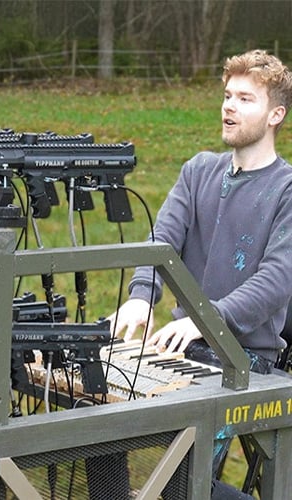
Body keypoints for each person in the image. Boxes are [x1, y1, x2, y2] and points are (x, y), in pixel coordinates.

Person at [109, 49, 292, 499]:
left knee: (178, 486)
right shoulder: (198, 170)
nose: (229, 106)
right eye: (227, 96)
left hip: (244, 359)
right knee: (96, 423)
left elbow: (275, 280)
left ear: (276, 115)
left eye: (246, 99)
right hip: (184, 346)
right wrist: (140, 296)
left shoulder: (286, 189)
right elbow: (162, 243)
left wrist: (201, 320)